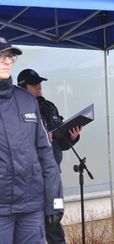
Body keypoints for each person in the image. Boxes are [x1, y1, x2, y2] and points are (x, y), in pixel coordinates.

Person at [0, 37, 63, 243]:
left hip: (31, 207)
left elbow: (46, 156)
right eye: (1, 56)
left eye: (9, 56)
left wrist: (54, 202)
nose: (7, 61)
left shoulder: (27, 101)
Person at [17, 68, 82, 244]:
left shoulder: (49, 106)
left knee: (54, 220)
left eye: (40, 83)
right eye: (34, 84)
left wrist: (72, 136)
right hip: (32, 179)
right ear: (22, 87)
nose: (39, 87)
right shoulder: (16, 111)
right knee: (33, 224)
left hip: (53, 177)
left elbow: (62, 144)